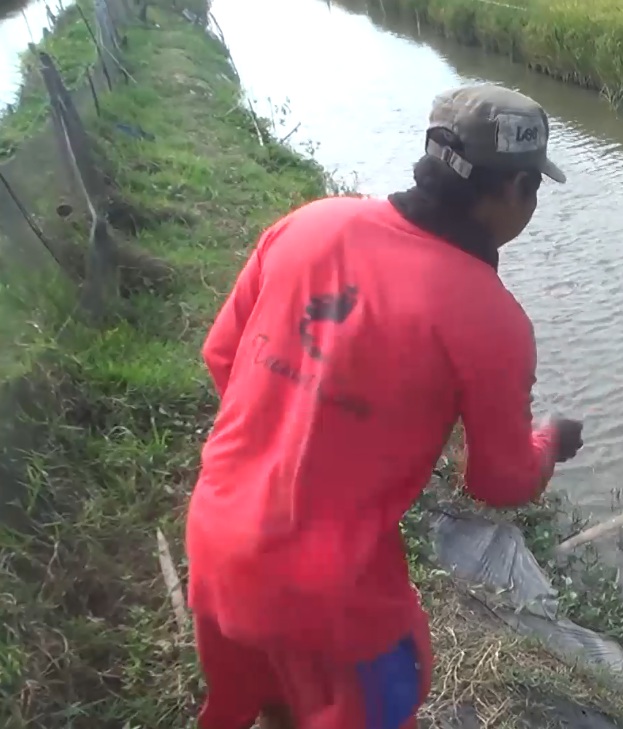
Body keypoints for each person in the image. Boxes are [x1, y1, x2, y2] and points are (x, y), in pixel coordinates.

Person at [184, 84, 584, 729]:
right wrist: (549, 442)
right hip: (333, 594)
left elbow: (223, 358)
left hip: (215, 544)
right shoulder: (491, 320)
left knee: (258, 701)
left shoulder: (312, 222)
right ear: (514, 190)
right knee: (389, 690)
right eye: (532, 188)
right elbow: (499, 481)